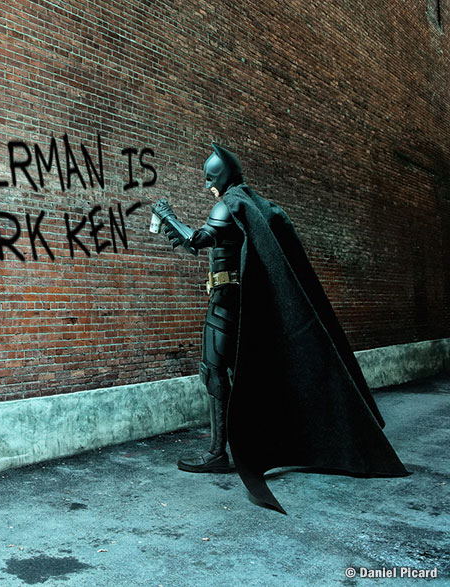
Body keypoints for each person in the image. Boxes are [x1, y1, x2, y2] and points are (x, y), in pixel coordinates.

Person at [152, 144, 408, 513]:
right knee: (231, 374)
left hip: (225, 305)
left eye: (210, 179)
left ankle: (218, 453)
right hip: (230, 301)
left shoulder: (229, 205)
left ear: (221, 177)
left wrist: (167, 215)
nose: (208, 186)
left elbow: (197, 240)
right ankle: (236, 447)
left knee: (214, 372)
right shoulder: (249, 204)